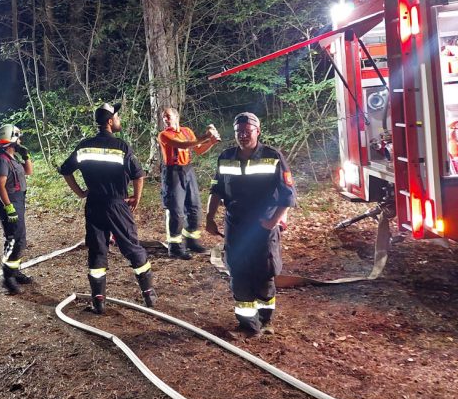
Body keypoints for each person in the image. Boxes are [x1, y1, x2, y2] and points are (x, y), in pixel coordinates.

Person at [59, 102, 156, 314]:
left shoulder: (83, 146)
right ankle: (148, 294)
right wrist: (136, 199)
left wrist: (80, 192)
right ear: (110, 122)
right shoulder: (121, 147)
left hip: (94, 204)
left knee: (97, 250)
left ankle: (99, 301)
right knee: (131, 246)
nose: (119, 120)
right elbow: (139, 176)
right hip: (116, 204)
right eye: (118, 117)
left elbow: (66, 171)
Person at [205, 112, 296, 337]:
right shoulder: (226, 157)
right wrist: (209, 217)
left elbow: (288, 195)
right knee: (238, 271)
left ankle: (266, 321)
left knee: (264, 272)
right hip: (235, 225)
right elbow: (216, 190)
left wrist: (272, 222)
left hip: (263, 226)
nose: (243, 136)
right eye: (239, 132)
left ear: (258, 131)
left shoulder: (272, 156)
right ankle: (247, 325)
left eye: (247, 131)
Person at [158, 107, 221, 259]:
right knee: (176, 211)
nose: (165, 119)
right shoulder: (164, 135)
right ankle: (175, 248)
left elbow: (198, 150)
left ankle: (191, 241)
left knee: (194, 207)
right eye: (163, 117)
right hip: (172, 172)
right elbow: (183, 145)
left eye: (168, 116)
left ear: (176, 116)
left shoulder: (187, 131)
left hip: (188, 170)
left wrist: (211, 141)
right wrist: (206, 136)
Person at [0, 123, 34, 294]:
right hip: (9, 203)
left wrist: (26, 156)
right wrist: (8, 207)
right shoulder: (2, 161)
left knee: (20, 239)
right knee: (13, 240)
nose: (21, 140)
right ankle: (7, 277)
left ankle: (14, 272)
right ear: (12, 139)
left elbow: (28, 172)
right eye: (18, 137)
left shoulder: (12, 158)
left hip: (18, 201)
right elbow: (0, 186)